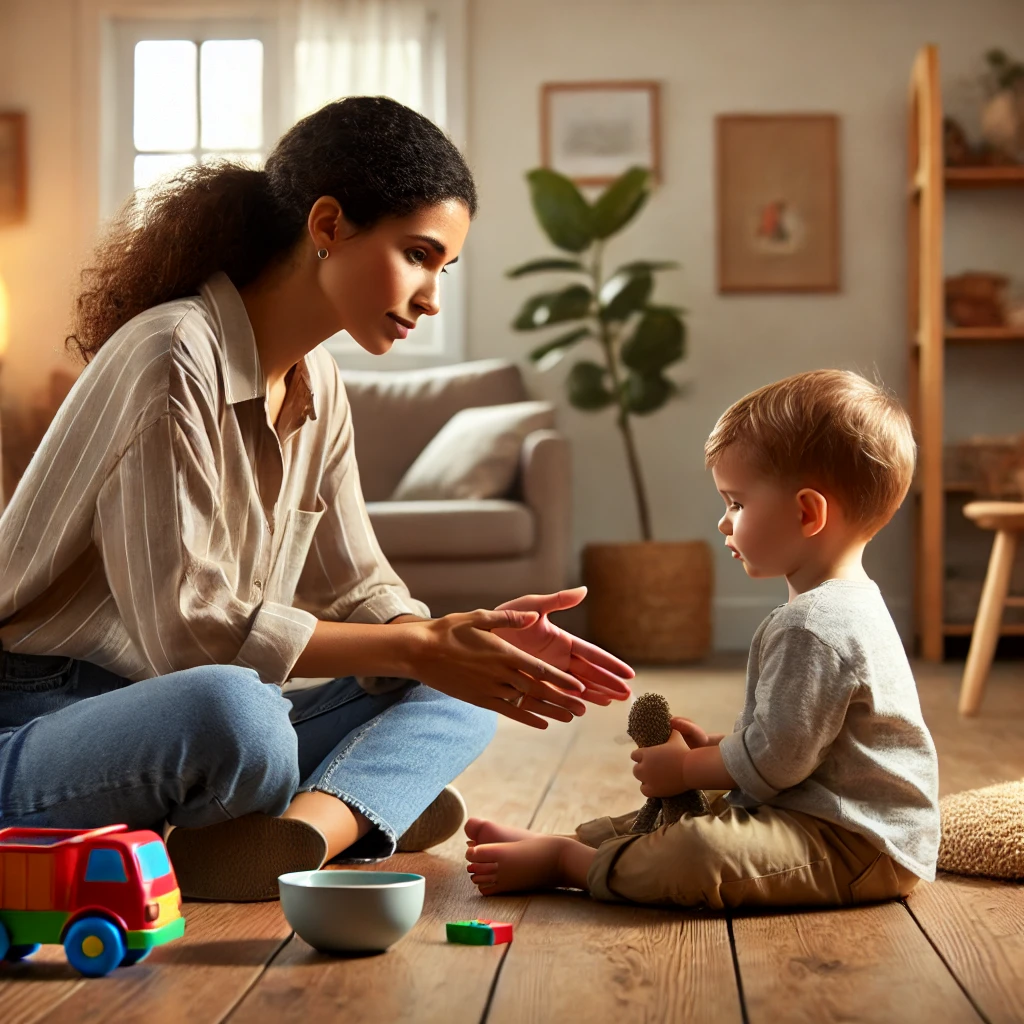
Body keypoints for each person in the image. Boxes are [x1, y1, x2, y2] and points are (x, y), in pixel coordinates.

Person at [0, 97, 632, 902]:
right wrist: (421, 644)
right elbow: (192, 635)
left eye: (444, 268)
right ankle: (356, 805)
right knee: (238, 712)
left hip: (175, 707)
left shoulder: (318, 380)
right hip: (38, 715)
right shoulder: (171, 356)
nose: (432, 294)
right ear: (327, 224)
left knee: (459, 692)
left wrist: (453, 641)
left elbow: (358, 582)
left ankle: (307, 824)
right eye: (418, 254)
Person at [465, 370, 941, 910]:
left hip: (858, 844)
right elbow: (800, 741)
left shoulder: (814, 625)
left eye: (736, 502)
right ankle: (581, 841)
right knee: (696, 803)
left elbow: (780, 764)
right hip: (821, 811)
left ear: (807, 512)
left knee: (700, 849)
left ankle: (568, 862)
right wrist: (717, 750)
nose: (724, 522)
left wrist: (686, 768)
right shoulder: (846, 604)